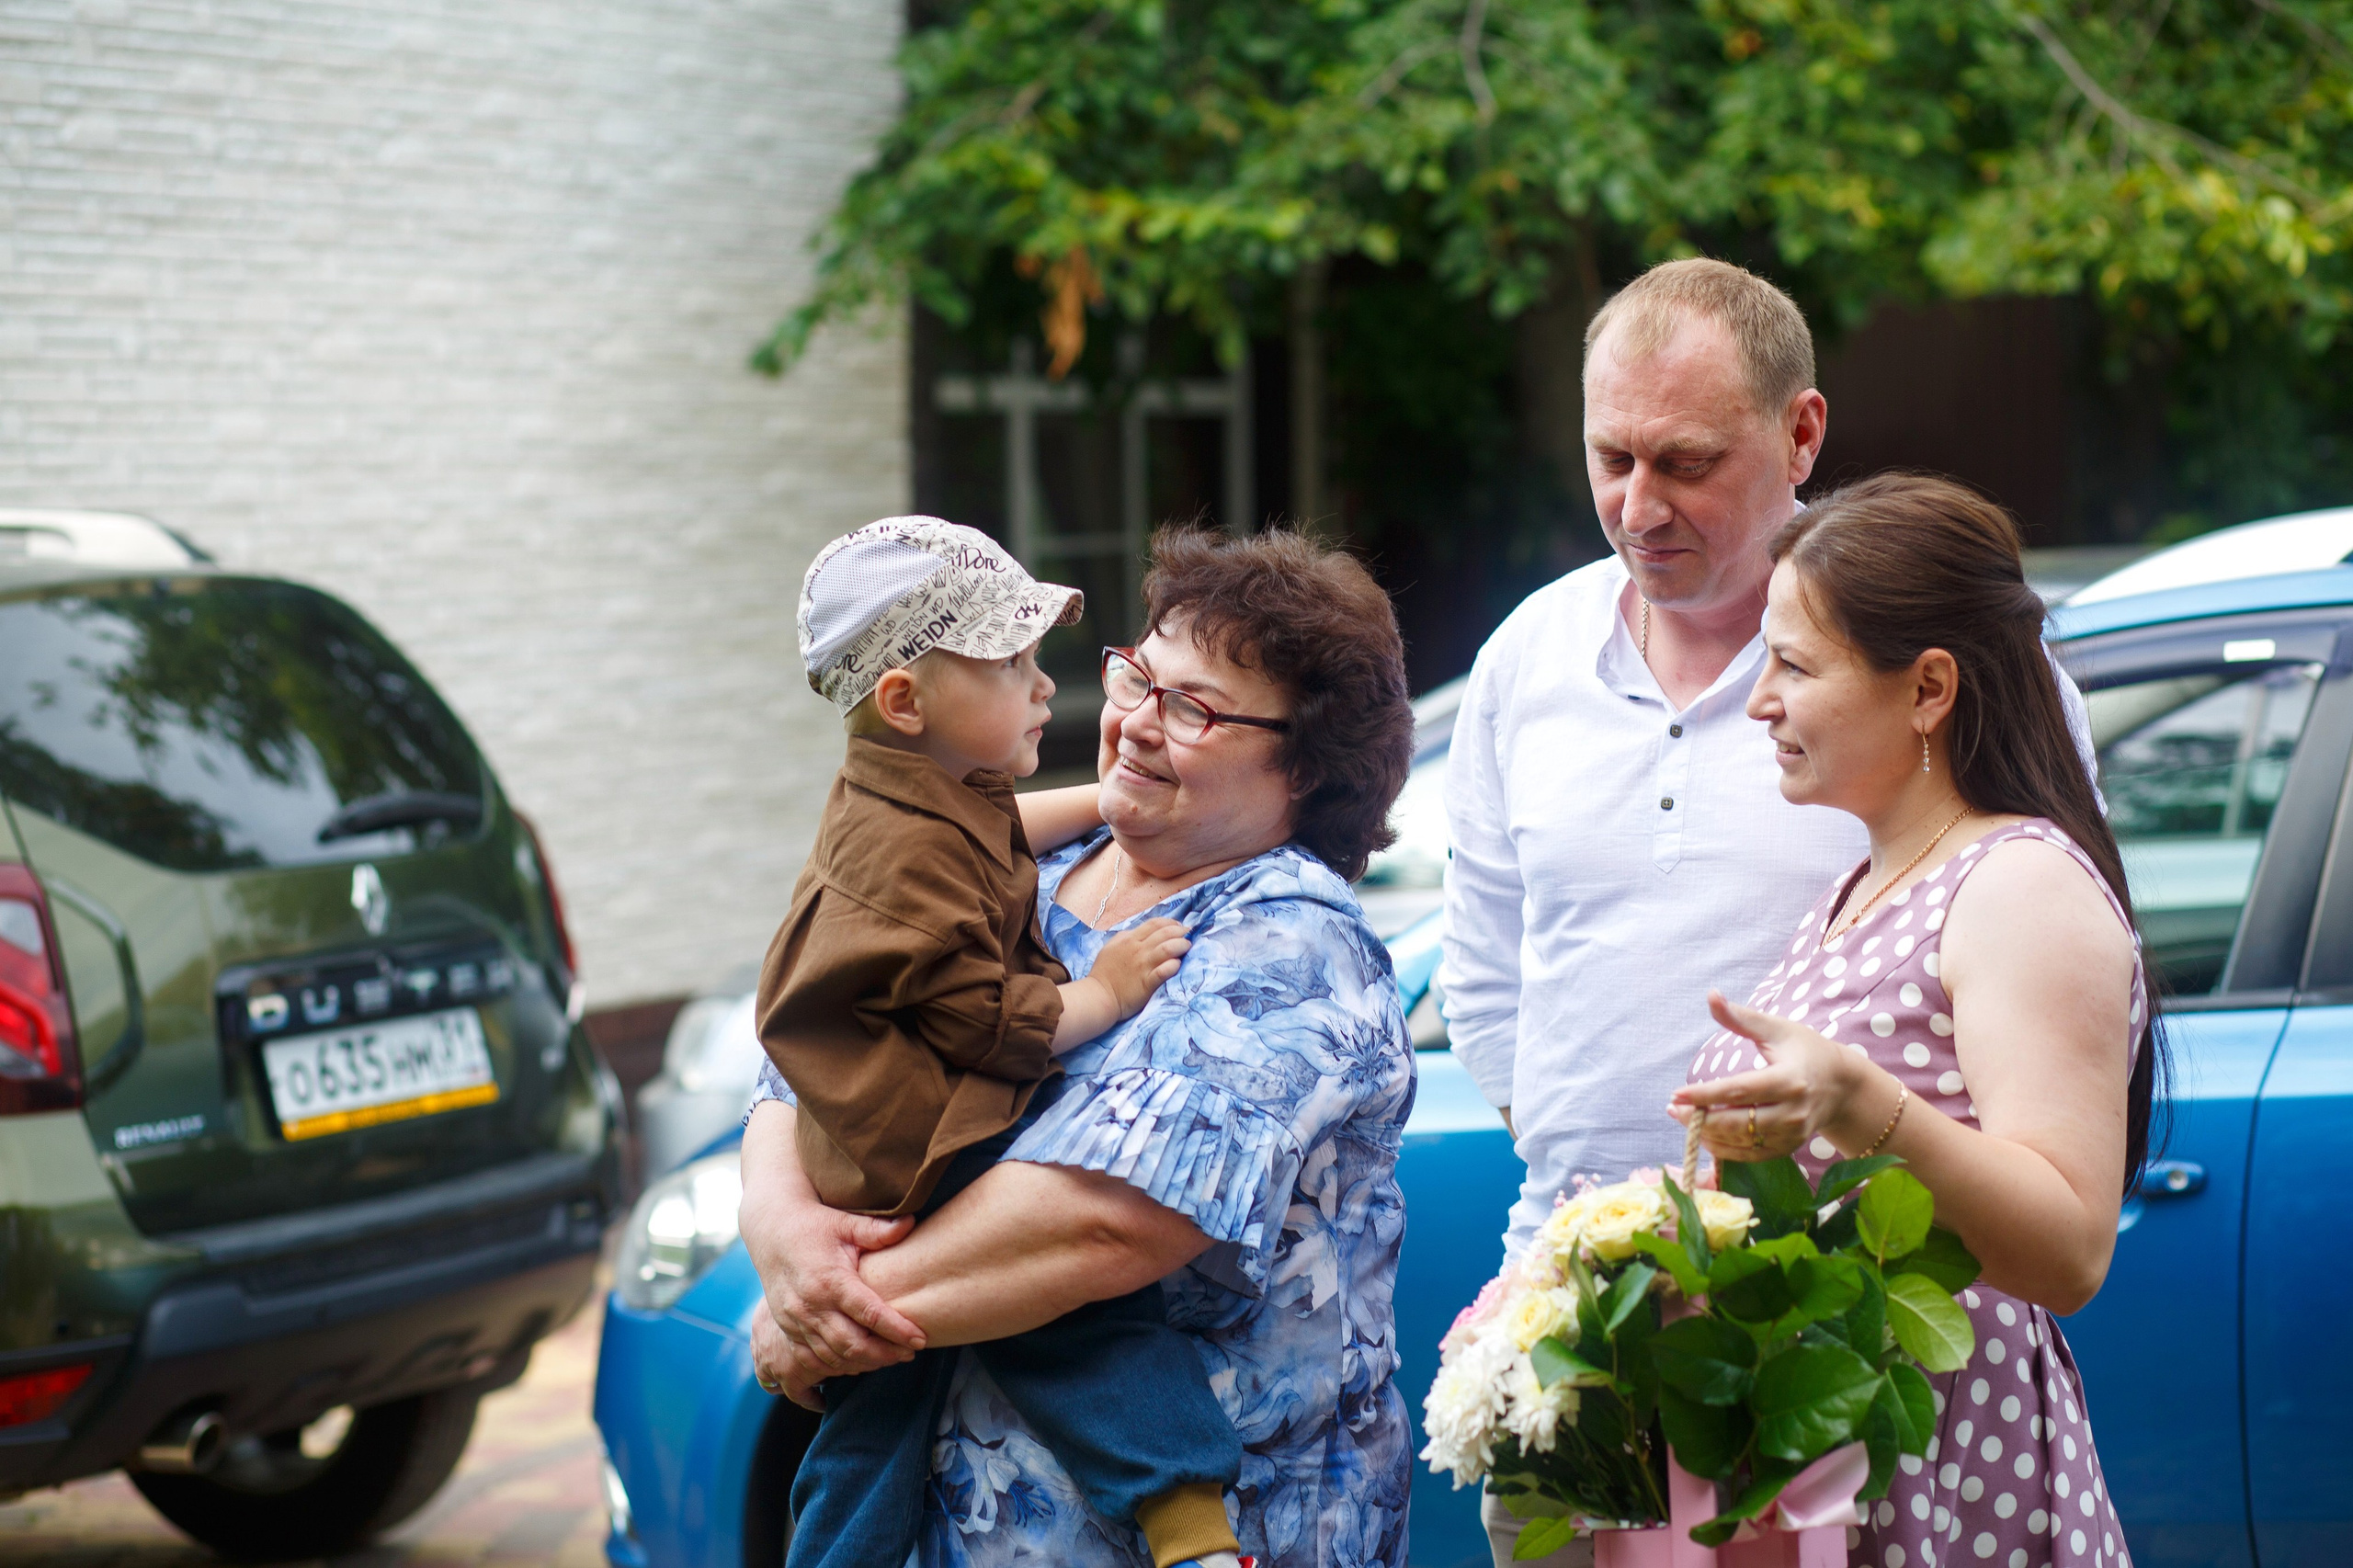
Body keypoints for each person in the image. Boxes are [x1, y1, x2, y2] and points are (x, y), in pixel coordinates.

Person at [1438, 256, 2099, 1567]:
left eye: (1684, 460)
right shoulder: (1528, 656)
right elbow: (1488, 981)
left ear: (1803, 434)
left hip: (1821, 1350)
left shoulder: (1978, 799)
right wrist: (1629, 1219)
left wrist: (1801, 1186)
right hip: (1580, 1317)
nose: (1639, 503)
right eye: (1609, 456)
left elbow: (2047, 1145)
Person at [742, 527, 1420, 1568]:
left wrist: (819, 1320)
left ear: (1305, 765)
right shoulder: (1031, 856)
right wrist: (781, 1229)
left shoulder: (1292, 942)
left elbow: (1096, 1220)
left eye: (1190, 706)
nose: (1135, 722)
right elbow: (819, 1036)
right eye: (1138, 676)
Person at [1676, 473, 2150, 1568]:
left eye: (1793, 665)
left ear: (1928, 686)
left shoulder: (2018, 884)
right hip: (1833, 1466)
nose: (1759, 700)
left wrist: (1856, 1100)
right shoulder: (1864, 880)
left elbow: (2071, 1246)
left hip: (1939, 1464)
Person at [767, 516, 1245, 1568]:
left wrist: (1110, 812)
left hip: (868, 1139)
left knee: (874, 1406)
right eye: (1014, 664)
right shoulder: (902, 861)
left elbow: (1004, 827)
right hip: (922, 1137)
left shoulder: (908, 794)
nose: (1043, 687)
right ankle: (1191, 1527)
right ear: (906, 699)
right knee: (1075, 1321)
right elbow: (989, 1018)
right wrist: (1109, 990)